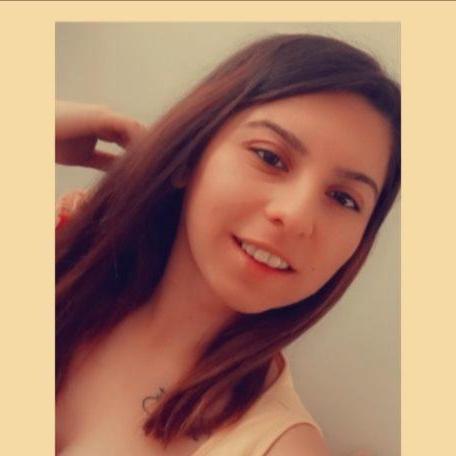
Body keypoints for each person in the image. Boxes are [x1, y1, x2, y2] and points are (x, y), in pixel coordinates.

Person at [55, 34, 400, 455]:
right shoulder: (64, 245)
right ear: (190, 154)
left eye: (344, 199)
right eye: (270, 157)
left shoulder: (280, 448)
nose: (295, 216)